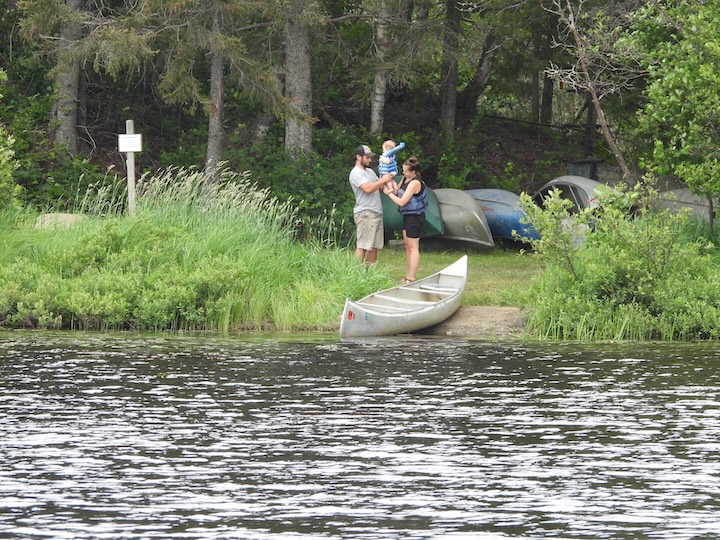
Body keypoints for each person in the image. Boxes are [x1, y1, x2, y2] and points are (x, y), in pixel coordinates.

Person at [382, 156, 428, 283]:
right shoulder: (405, 179)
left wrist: (389, 194)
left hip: (415, 217)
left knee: (413, 247)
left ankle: (412, 277)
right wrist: (389, 183)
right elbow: (397, 190)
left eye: (406, 171)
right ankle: (407, 275)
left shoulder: (415, 183)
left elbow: (402, 202)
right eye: (403, 170)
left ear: (413, 172)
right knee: (407, 245)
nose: (404, 173)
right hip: (407, 216)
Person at [349, 144, 394, 265]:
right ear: (358, 157)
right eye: (367, 157)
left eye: (370, 157)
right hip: (365, 213)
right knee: (363, 245)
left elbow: (380, 186)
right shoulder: (356, 173)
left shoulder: (369, 171)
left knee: (374, 247)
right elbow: (367, 188)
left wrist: (390, 189)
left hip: (376, 212)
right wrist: (382, 180)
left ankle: (370, 276)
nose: (370, 160)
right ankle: (354, 274)